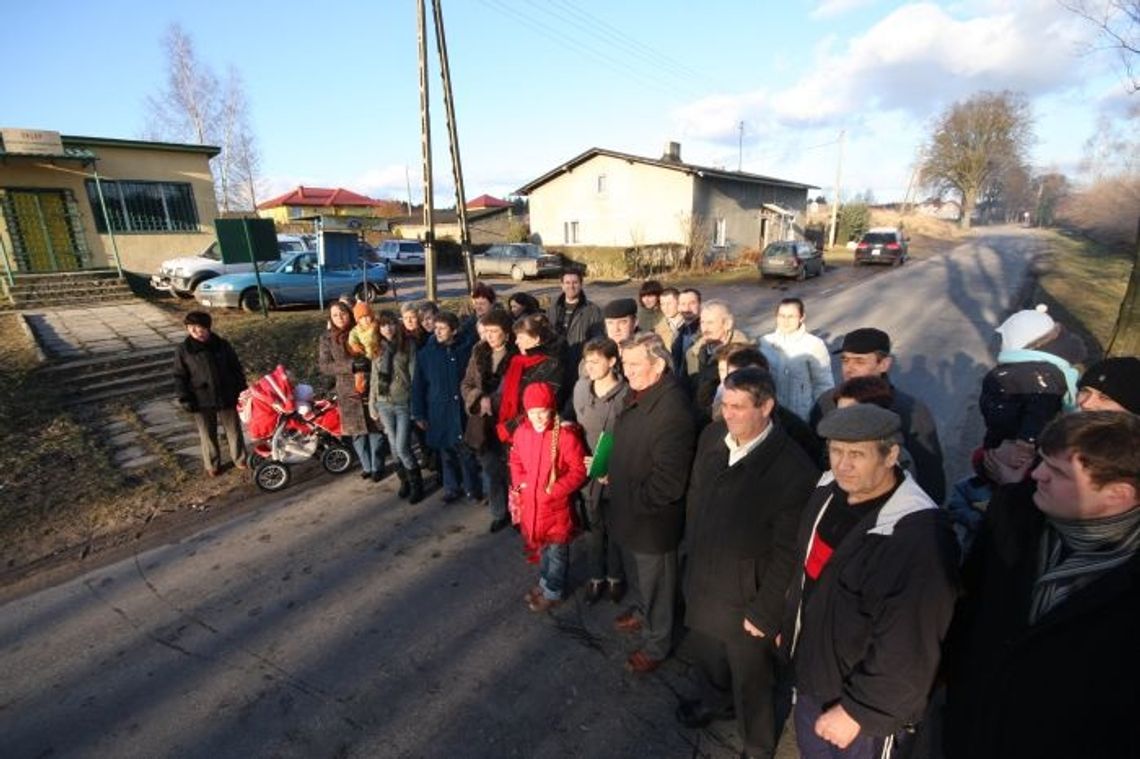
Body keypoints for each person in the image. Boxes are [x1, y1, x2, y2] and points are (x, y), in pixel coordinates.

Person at [943, 411, 1140, 759]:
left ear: (1118, 494)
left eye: (1059, 472)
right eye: (1042, 461)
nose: (1036, 474)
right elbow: (967, 606)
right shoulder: (1012, 511)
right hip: (974, 730)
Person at [782, 404, 959, 758]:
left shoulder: (917, 533)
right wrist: (788, 622)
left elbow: (910, 644)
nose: (842, 464)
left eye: (857, 454)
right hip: (812, 674)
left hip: (860, 707)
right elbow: (806, 569)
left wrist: (858, 711)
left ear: (890, 454)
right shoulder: (828, 487)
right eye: (836, 450)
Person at [678, 368, 819, 759]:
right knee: (707, 658)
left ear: (767, 407)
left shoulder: (793, 470)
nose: (729, 414)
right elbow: (696, 500)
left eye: (739, 407)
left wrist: (766, 611)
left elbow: (789, 552)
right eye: (725, 404)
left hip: (748, 600)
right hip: (704, 581)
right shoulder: (712, 439)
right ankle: (713, 701)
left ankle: (757, 746)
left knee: (752, 683)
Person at [609, 332, 697, 673]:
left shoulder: (672, 409)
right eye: (624, 363)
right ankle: (645, 613)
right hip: (631, 510)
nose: (626, 371)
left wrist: (635, 502)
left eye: (633, 364)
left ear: (658, 364)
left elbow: (668, 483)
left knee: (658, 584)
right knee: (646, 581)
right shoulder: (642, 392)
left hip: (651, 520)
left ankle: (657, 644)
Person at [810, 327, 947, 504]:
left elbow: (930, 476)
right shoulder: (827, 403)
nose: (849, 369)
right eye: (845, 360)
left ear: (883, 364)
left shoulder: (910, 411)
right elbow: (811, 456)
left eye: (859, 361)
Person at [509, 382, 589, 612]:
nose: (538, 417)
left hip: (556, 510)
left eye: (543, 411)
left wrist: (555, 490)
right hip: (532, 507)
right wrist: (521, 482)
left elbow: (578, 470)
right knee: (544, 549)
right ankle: (545, 583)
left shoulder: (564, 437)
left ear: (551, 409)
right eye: (533, 412)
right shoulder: (522, 433)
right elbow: (515, 460)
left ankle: (553, 591)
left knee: (556, 554)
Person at [572, 337, 630, 604]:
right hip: (588, 474)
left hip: (617, 472)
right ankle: (596, 576)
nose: (590, 367)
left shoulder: (627, 394)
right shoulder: (581, 388)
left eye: (596, 362)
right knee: (594, 529)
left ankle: (615, 576)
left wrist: (614, 467)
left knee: (617, 527)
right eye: (587, 361)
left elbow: (633, 438)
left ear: (612, 361)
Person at [712, 344, 824, 466]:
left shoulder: (795, 433)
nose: (736, 387)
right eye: (732, 378)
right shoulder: (713, 433)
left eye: (747, 380)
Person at [411, 311, 480, 502]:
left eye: (442, 328)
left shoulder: (466, 350)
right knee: (446, 453)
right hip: (438, 411)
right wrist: (418, 413)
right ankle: (451, 488)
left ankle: (472, 488)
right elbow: (418, 385)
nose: (437, 332)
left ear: (454, 330)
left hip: (462, 411)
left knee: (466, 452)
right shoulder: (426, 354)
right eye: (436, 328)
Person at [461, 309, 519, 532]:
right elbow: (466, 384)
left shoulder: (517, 355)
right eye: (487, 331)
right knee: (491, 469)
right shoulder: (478, 352)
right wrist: (480, 398)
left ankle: (518, 514)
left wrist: (497, 401)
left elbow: (521, 389)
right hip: (485, 423)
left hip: (511, 422)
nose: (490, 336)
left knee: (514, 471)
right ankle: (499, 512)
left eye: (495, 331)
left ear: (506, 333)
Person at [173, 310, 248, 476]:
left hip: (227, 394)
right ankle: (212, 464)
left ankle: (240, 458)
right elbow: (180, 376)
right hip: (201, 398)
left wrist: (242, 389)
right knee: (207, 433)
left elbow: (236, 368)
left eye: (200, 329)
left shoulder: (222, 345)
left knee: (233, 430)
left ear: (208, 328)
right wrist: (184, 397)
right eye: (191, 329)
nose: (196, 333)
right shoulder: (184, 350)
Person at [320, 301, 387, 481]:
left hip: (370, 385)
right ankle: (366, 465)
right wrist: (350, 365)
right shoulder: (327, 338)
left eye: (343, 313)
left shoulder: (362, 329)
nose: (340, 318)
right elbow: (325, 366)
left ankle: (377, 465)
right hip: (346, 389)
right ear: (331, 319)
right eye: (335, 315)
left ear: (349, 314)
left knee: (375, 427)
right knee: (356, 432)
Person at [370, 310, 423, 503]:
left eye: (391, 323)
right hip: (383, 403)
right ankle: (405, 482)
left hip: (403, 402)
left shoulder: (407, 345)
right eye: (383, 325)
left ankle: (418, 484)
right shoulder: (377, 348)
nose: (388, 328)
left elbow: (414, 376)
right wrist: (372, 404)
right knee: (393, 446)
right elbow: (374, 378)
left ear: (397, 325)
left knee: (402, 446)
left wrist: (415, 404)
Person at [759, 297, 834, 422]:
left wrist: (820, 416)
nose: (785, 321)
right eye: (781, 316)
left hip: (802, 417)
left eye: (791, 316)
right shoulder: (765, 343)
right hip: (772, 416)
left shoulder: (814, 344)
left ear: (802, 317)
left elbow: (823, 384)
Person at [496, 313, 566, 444]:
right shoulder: (518, 361)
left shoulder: (552, 365)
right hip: (515, 432)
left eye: (520, 337)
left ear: (536, 339)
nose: (516, 341)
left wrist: (509, 428)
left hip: (537, 434)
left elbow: (542, 405)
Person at [685, 300, 750, 418]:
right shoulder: (693, 352)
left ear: (728, 324)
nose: (705, 328)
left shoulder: (744, 356)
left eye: (710, 322)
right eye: (702, 322)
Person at [547, 268, 603, 365]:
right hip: (555, 363)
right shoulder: (552, 309)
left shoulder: (593, 310)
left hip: (579, 364)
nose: (571, 286)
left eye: (575, 282)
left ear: (581, 284)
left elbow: (598, 340)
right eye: (567, 283)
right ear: (562, 285)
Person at [348, 301, 381, 396]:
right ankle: (360, 388)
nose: (365, 320)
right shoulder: (356, 330)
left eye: (367, 316)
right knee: (360, 374)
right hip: (364, 355)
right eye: (361, 318)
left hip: (377, 353)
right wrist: (355, 345)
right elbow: (352, 339)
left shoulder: (375, 325)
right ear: (358, 320)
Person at [671, 287, 702, 372]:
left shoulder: (706, 331)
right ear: (678, 307)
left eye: (692, 303)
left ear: (700, 304)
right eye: (683, 304)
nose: (687, 308)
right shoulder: (678, 332)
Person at [654, 286, 683, 351]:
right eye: (662, 304)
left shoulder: (693, 324)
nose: (665, 308)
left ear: (679, 302)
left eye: (669, 304)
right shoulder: (657, 330)